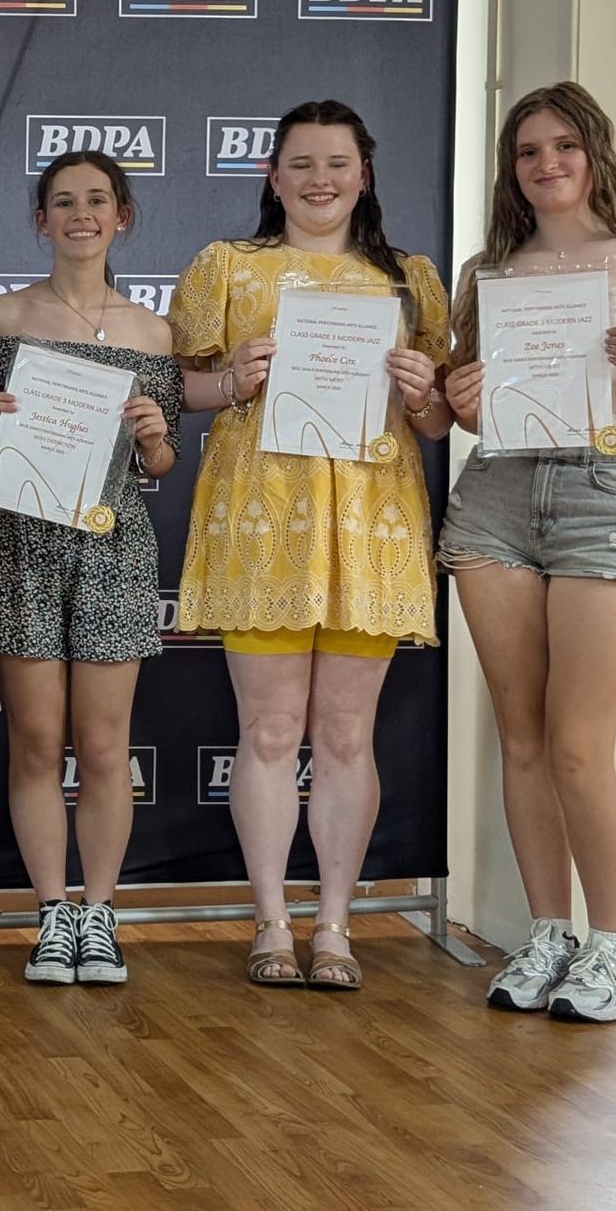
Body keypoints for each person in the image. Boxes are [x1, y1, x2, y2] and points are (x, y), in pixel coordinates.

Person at [168, 100, 451, 991]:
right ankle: (269, 922)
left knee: (343, 733)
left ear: (364, 175)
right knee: (268, 729)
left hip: (371, 528)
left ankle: (334, 926)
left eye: (337, 163)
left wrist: (423, 391)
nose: (319, 180)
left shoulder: (412, 281)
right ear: (273, 175)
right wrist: (229, 380)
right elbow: (177, 388)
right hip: (263, 523)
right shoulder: (227, 268)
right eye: (301, 163)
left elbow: (437, 422)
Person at [441, 81, 616, 1022]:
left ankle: (615, 948)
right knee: (521, 739)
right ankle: (547, 933)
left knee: (580, 746)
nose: (546, 164)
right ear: (511, 169)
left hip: (609, 490)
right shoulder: (488, 272)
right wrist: (461, 402)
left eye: (563, 146)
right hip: (498, 497)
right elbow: (469, 410)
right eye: (527, 151)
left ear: (594, 152)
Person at [0, 151, 179, 986]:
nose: (80, 215)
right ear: (40, 220)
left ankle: (99, 913)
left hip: (114, 546)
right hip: (21, 543)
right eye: (63, 202)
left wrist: (156, 438)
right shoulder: (0, 317)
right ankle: (52, 913)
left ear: (122, 216)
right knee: (34, 742)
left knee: (102, 745)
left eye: (97, 201)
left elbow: (159, 463)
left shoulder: (152, 332)